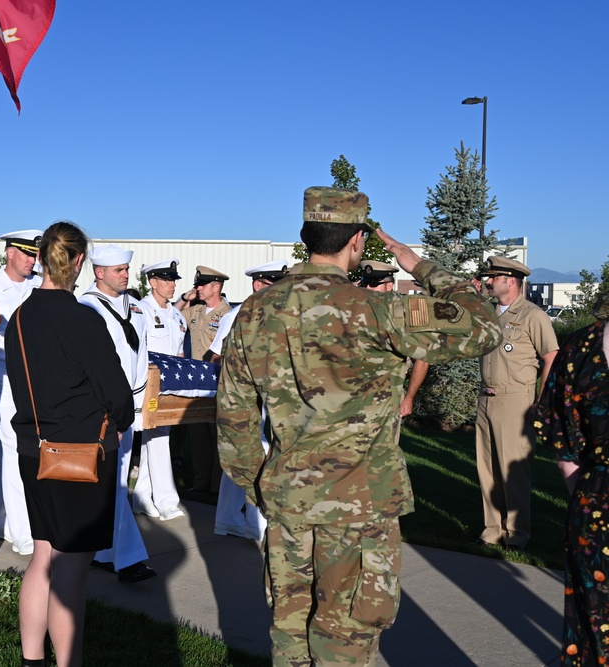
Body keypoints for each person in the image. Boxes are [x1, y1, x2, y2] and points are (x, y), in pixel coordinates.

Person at [217, 186, 502, 665]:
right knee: (346, 639)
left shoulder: (253, 312)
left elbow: (234, 419)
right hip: (360, 507)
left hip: (288, 501)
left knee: (290, 633)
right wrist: (420, 266)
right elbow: (484, 326)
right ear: (356, 241)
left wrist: (263, 487)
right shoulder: (376, 310)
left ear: (307, 234)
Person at [4, 221, 134, 667]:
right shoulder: (83, 318)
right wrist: (121, 420)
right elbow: (116, 391)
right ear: (79, 261)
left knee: (43, 554)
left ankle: (32, 658)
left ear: (40, 257)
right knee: (72, 568)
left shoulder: (20, 316)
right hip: (82, 454)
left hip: (34, 448)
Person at [534, 295, 609, 665]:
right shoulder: (581, 346)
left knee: (593, 626)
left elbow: (565, 449)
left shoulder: (581, 345)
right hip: (595, 500)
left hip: (594, 503)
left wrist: (590, 499)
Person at [79, 245, 156, 584]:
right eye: (118, 270)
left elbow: (139, 358)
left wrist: (136, 406)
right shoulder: (86, 307)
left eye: (126, 269)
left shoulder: (135, 308)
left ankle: (102, 551)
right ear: (99, 272)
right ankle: (128, 558)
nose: (126, 274)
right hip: (99, 408)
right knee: (110, 481)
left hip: (129, 407)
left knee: (116, 481)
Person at [475, 255, 559, 550]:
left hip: (516, 400)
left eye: (493, 278)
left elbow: (551, 357)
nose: (488, 282)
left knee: (514, 470)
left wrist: (541, 399)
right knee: (487, 469)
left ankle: (517, 533)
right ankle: (492, 529)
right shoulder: (489, 313)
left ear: (510, 281)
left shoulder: (532, 315)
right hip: (486, 397)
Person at [210, 260, 288, 541]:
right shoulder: (238, 315)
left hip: (264, 398)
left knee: (241, 457)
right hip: (242, 400)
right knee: (257, 454)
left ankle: (227, 519)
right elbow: (215, 356)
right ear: (258, 285)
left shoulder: (274, 313)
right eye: (273, 284)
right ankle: (256, 522)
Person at [0, 229, 44, 556]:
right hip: (2, 371)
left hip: (36, 373)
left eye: (35, 254)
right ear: (9, 253)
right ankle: (22, 532)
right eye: (27, 253)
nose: (33, 259)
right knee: (15, 445)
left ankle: (0, 522)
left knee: (24, 447)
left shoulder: (39, 286)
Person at [131, 259, 186, 521]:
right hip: (148, 385)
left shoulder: (176, 314)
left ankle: (141, 496)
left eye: (174, 279)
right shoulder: (140, 310)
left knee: (153, 438)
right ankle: (166, 501)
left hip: (170, 386)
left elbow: (179, 353)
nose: (172, 284)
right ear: (153, 282)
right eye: (166, 279)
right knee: (159, 437)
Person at [176, 265, 231, 493]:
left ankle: (218, 487)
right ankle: (200, 484)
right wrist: (183, 298)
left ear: (215, 287)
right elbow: (171, 316)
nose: (197, 288)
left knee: (217, 436)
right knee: (198, 437)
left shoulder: (228, 314)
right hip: (196, 383)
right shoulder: (196, 311)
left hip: (218, 382)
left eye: (201, 285)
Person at [358, 260, 429, 418]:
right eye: (365, 283)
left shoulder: (406, 315)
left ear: (389, 286)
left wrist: (409, 398)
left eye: (373, 283)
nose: (368, 288)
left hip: (388, 399)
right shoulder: (357, 312)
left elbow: (423, 359)